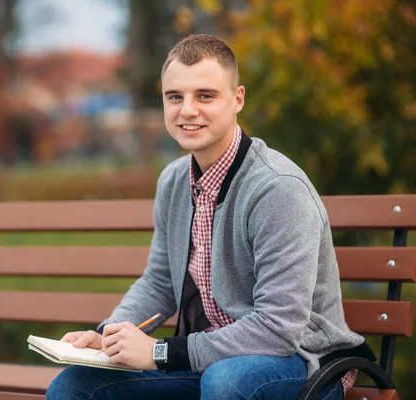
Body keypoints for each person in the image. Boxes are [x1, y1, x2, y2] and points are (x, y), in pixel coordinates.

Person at [46, 33, 375, 400]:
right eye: (175, 97)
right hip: (207, 365)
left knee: (226, 380)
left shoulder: (278, 189)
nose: (188, 110)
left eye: (205, 95)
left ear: (237, 100)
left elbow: (280, 328)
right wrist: (110, 336)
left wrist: (160, 352)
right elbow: (159, 281)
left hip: (301, 364)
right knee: (75, 385)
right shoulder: (173, 180)